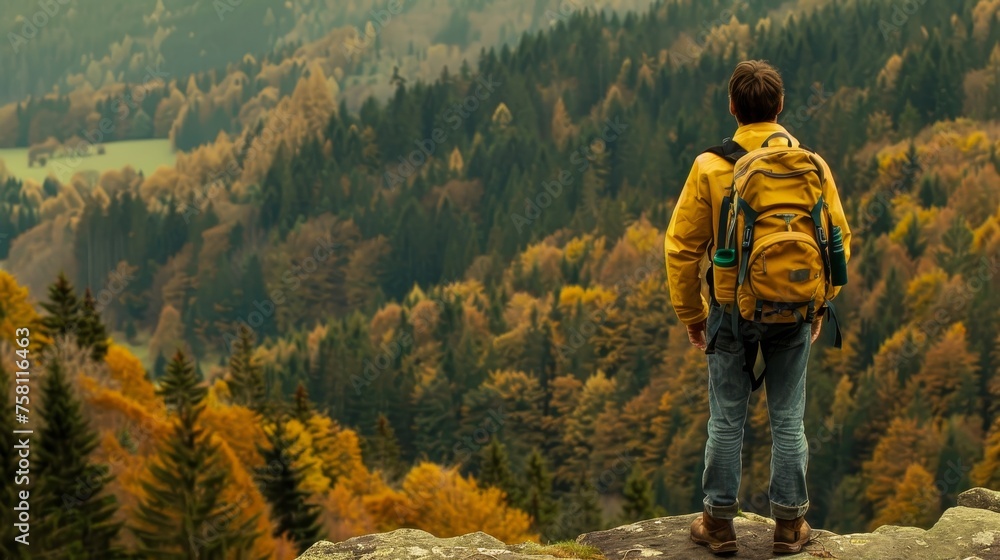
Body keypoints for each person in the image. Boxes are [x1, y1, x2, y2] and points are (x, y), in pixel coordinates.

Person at [664, 60, 851, 555]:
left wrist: (692, 314)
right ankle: (789, 527)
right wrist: (818, 303)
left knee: (727, 417)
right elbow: (838, 240)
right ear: (781, 107)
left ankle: (719, 525)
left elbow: (681, 248)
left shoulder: (709, 166)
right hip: (794, 308)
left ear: (732, 107)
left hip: (729, 309)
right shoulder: (812, 165)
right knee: (789, 417)